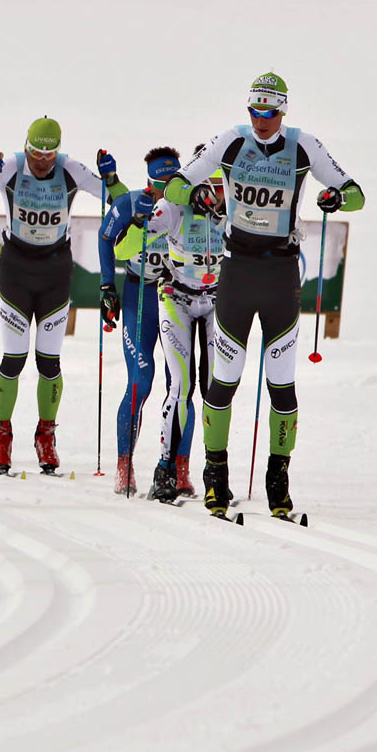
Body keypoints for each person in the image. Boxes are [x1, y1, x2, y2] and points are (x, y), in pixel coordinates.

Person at [164, 72, 364, 516]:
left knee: (283, 387)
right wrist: (193, 190)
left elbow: (356, 195)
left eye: (269, 113)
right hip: (236, 273)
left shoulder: (304, 145)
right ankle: (216, 477)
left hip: (280, 274)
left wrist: (335, 198)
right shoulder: (230, 141)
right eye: (254, 111)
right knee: (223, 383)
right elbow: (176, 183)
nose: (260, 121)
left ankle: (278, 480)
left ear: (283, 111)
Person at [0, 118, 128, 474]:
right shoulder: (13, 167)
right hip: (16, 267)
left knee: (49, 362)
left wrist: (112, 179)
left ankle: (46, 436)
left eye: (48, 154)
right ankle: (2, 437)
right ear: (25, 147)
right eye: (35, 153)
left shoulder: (71, 169)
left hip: (55, 270)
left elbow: (121, 202)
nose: (42, 161)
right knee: (13, 359)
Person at [115, 160, 227, 501]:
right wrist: (138, 223)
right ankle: (163, 470)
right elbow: (122, 249)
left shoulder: (235, 211)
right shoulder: (174, 207)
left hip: (215, 304)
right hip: (175, 299)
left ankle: (209, 472)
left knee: (214, 390)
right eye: (212, 187)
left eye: (225, 187)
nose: (219, 195)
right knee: (179, 385)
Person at [97, 148, 177, 494]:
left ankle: (179, 467)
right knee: (141, 379)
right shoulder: (131, 203)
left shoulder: (186, 204)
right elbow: (110, 244)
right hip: (139, 294)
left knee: (180, 385)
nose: (164, 193)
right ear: (148, 182)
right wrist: (106, 287)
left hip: (177, 299)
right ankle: (124, 465)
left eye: (171, 185)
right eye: (158, 185)